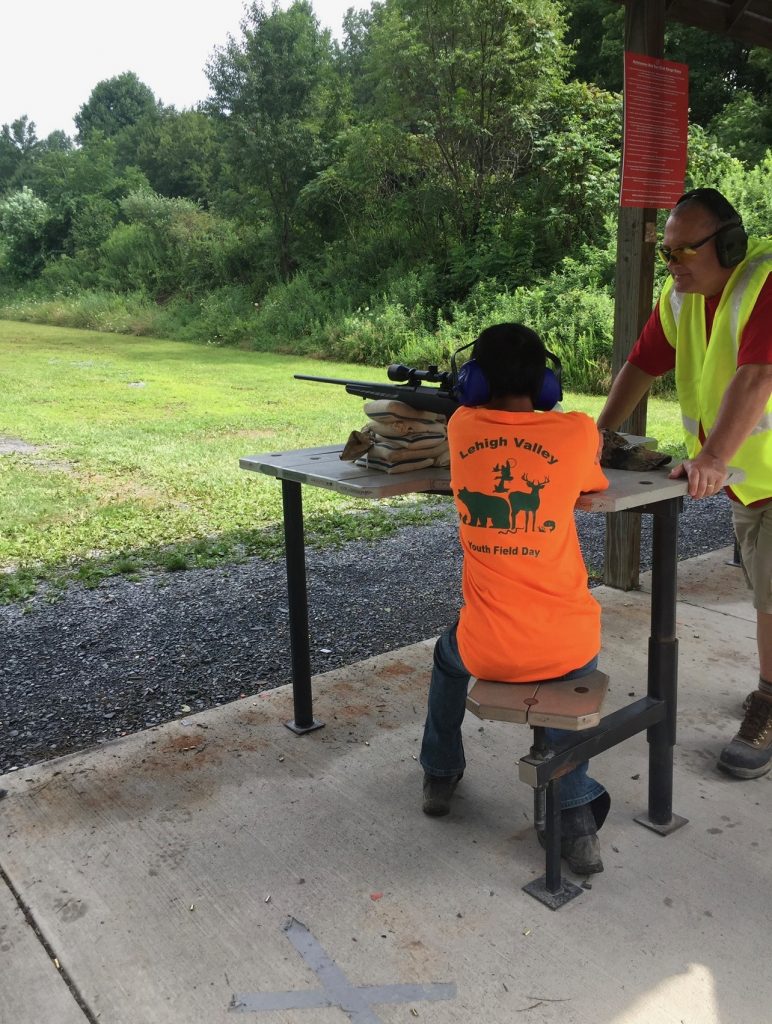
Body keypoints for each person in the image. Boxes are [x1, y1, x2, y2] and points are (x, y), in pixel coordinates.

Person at [420, 323, 611, 875]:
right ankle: (572, 819)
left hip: (487, 648)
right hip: (568, 643)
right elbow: (592, 483)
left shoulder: (460, 426)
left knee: (445, 656)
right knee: (566, 673)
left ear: (474, 382)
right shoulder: (575, 432)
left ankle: (439, 770)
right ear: (546, 384)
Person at [597, 187, 772, 779]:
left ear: (728, 244)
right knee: (764, 587)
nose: (671, 266)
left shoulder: (765, 283)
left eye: (682, 253)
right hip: (754, 477)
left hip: (757, 469)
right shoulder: (681, 299)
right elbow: (643, 363)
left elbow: (758, 376)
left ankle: (770, 702)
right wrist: (598, 432)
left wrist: (715, 456)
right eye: (665, 253)